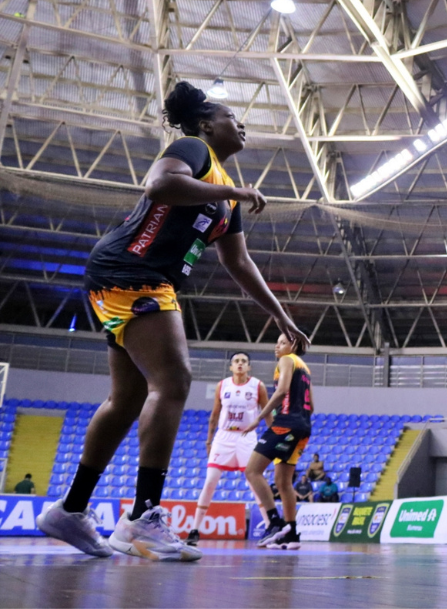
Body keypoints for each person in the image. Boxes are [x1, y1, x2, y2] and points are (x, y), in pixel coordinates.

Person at [36, 81, 309, 562]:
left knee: (127, 400)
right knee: (175, 380)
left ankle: (71, 509)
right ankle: (143, 515)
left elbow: (239, 264)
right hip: (133, 270)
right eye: (231, 117)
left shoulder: (224, 193)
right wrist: (233, 189)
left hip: (133, 277)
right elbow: (159, 184)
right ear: (206, 124)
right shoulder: (194, 149)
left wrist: (284, 318)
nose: (239, 124)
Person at [187, 352, 270, 546]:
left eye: (244, 361)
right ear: (231, 366)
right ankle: (194, 530)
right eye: (236, 361)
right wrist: (209, 441)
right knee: (210, 481)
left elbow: (267, 413)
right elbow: (215, 415)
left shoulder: (257, 386)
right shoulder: (222, 385)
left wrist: (273, 436)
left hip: (247, 436)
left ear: (249, 367)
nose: (240, 364)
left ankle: (269, 527)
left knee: (254, 483)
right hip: (224, 436)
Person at [243, 334, 315, 551]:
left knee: (252, 471)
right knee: (283, 482)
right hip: (303, 426)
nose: (277, 345)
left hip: (286, 423)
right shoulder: (306, 369)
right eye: (278, 341)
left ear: (293, 345)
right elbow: (312, 405)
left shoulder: (287, 360)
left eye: (282, 342)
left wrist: (258, 418)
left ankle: (274, 521)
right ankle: (292, 534)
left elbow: (282, 391)